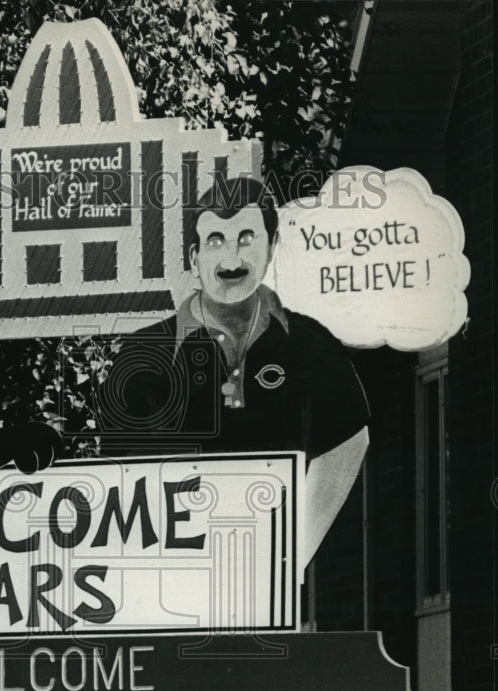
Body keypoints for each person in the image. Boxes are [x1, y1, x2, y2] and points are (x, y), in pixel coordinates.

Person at [97, 176, 369, 566]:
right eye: (215, 241)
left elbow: (349, 441)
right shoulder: (144, 351)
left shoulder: (310, 343)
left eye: (246, 238)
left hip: (269, 592)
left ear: (272, 247)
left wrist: (292, 556)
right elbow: (116, 475)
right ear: (194, 258)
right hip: (167, 580)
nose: (231, 259)